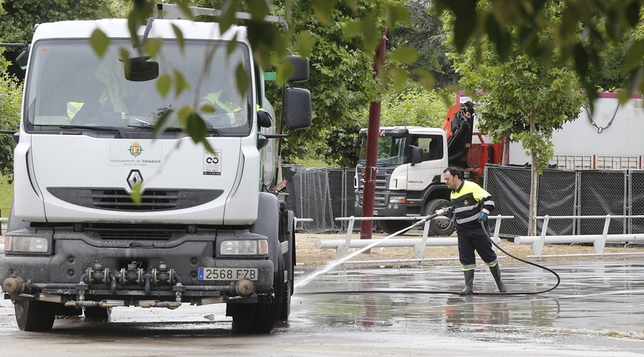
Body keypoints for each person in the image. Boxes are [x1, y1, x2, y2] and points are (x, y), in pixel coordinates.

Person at [442, 166, 506, 295]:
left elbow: (489, 200)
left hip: (478, 230)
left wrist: (484, 212)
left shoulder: (471, 187)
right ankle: (468, 287)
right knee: (466, 259)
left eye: (447, 179)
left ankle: (500, 283)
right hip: (463, 232)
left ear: (456, 177)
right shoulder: (453, 194)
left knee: (489, 257)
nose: (446, 182)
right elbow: (457, 213)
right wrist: (451, 215)